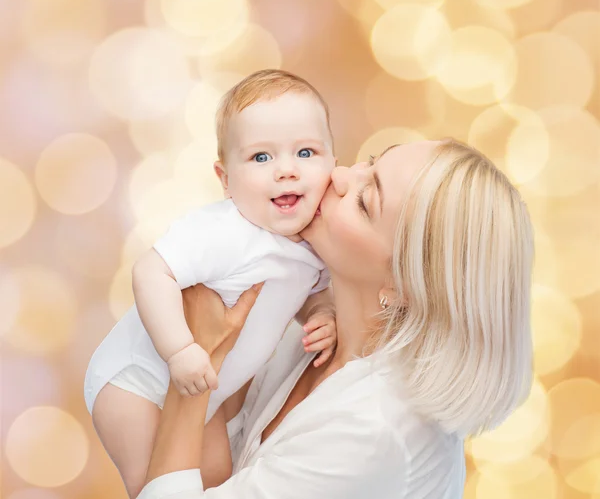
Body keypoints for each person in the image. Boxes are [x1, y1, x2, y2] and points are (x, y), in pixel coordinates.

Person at [137, 138, 534, 498]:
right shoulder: (315, 332)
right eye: (370, 162)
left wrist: (197, 360)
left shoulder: (375, 431)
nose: (339, 174)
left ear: (403, 287)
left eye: (365, 202)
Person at [84, 70, 340, 498]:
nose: (287, 170)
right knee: (154, 482)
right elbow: (151, 272)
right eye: (261, 157)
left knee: (219, 480)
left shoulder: (316, 242)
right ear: (225, 179)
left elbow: (306, 292)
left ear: (333, 160)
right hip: (135, 384)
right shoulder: (224, 233)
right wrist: (180, 349)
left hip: (207, 395)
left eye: (306, 152)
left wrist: (321, 314)